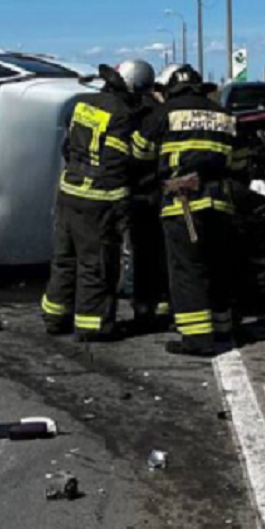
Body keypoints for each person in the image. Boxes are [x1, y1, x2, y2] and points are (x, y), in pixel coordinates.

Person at [134, 65, 237, 358]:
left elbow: (140, 150)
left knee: (187, 270)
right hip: (221, 201)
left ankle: (196, 338)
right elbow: (240, 161)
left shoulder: (165, 113)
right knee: (217, 267)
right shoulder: (223, 114)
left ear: (169, 89)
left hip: (184, 203)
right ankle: (222, 327)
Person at [41, 64, 140, 342]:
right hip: (98, 199)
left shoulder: (82, 104)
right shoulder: (122, 115)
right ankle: (92, 324)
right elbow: (119, 163)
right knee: (95, 264)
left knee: (64, 258)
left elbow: (67, 148)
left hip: (68, 191)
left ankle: (55, 317)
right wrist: (123, 205)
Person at [116, 58, 167, 334]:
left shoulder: (131, 111)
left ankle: (142, 305)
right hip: (159, 190)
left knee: (139, 249)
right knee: (156, 250)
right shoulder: (159, 110)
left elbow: (135, 154)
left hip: (140, 190)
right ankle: (158, 303)